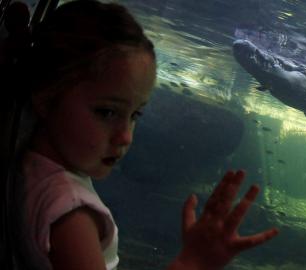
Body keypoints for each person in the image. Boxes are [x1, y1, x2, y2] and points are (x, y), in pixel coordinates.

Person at [15, 0, 279, 269]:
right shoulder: (71, 216)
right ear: (46, 96)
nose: (126, 136)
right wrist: (194, 261)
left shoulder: (29, 163)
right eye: (106, 112)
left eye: (135, 116)